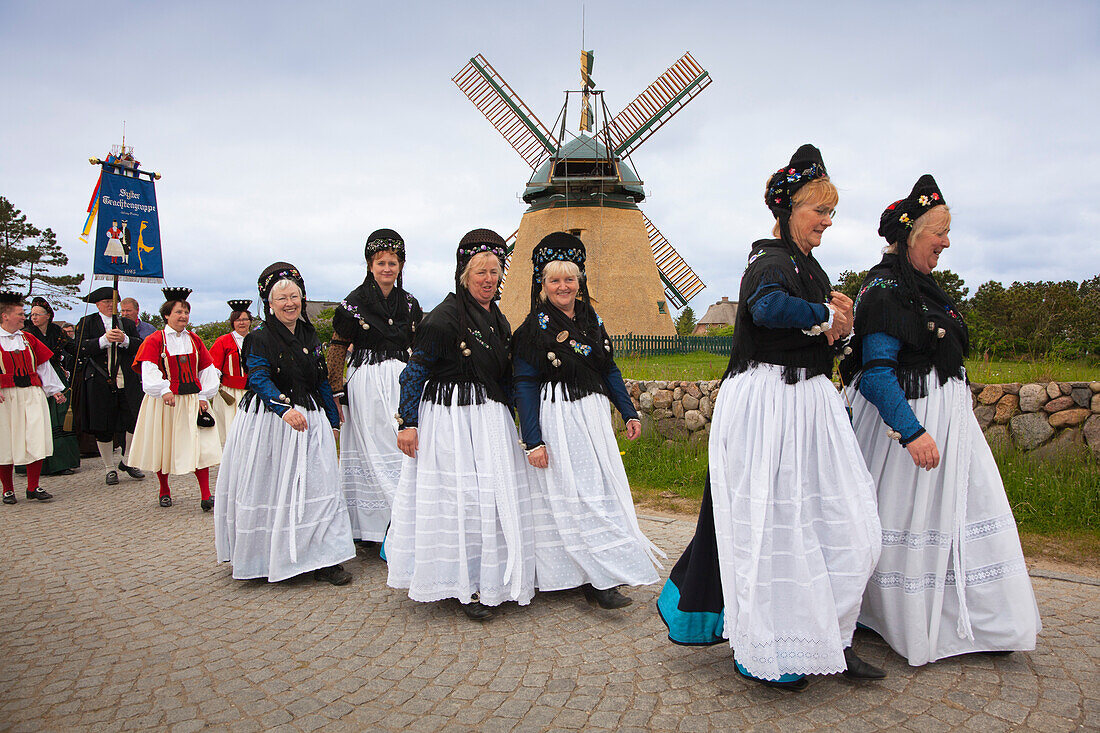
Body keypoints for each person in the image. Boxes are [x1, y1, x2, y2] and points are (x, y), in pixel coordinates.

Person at [657, 145, 884, 691]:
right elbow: (767, 309)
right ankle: (763, 645)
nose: (827, 222)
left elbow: (812, 324)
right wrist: (826, 314)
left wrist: (840, 323)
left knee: (841, 524)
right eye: (818, 211)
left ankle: (829, 637)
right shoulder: (768, 262)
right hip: (768, 406)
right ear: (787, 210)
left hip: (808, 405)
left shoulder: (807, 266)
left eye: (831, 213)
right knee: (772, 527)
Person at [840, 175, 1041, 665]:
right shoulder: (886, 291)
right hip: (909, 431)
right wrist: (912, 432)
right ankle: (890, 615)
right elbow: (876, 373)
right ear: (912, 235)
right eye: (940, 232)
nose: (947, 242)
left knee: (963, 514)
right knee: (907, 520)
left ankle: (987, 620)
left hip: (952, 429)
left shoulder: (923, 288)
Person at [387, 229, 535, 621]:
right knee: (462, 500)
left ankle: (493, 578)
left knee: (488, 497)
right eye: (480, 271)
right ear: (464, 274)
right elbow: (414, 371)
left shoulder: (497, 319)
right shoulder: (443, 318)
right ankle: (462, 585)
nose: (489, 278)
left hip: (489, 419)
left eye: (495, 270)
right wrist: (408, 423)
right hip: (451, 421)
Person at [512, 232, 663, 608]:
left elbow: (608, 367)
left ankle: (601, 573)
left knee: (598, 491)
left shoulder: (592, 319)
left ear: (580, 281)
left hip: (592, 416)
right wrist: (533, 440)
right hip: (558, 415)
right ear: (542, 284)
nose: (563, 286)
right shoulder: (531, 331)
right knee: (570, 494)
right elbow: (525, 387)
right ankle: (579, 575)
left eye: (570, 278)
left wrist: (627, 410)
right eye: (555, 280)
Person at [215, 263, 355, 585]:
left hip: (311, 418)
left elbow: (320, 379)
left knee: (319, 488)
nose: (290, 303)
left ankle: (325, 559)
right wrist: (282, 407)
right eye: (282, 299)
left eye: (295, 296)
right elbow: (258, 378)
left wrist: (333, 421)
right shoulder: (259, 339)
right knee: (275, 488)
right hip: (273, 423)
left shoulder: (309, 333)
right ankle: (268, 556)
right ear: (269, 303)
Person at [327, 229, 423, 544]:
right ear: (370, 265)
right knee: (373, 449)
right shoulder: (352, 304)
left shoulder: (410, 304)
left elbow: (418, 347)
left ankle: (405, 520)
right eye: (381, 262)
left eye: (392, 263)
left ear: (400, 266)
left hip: (401, 380)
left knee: (401, 449)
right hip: (366, 382)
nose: (387, 269)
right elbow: (338, 347)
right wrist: (335, 392)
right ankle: (372, 528)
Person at [128, 287, 222, 510]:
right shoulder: (154, 340)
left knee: (199, 446)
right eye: (179, 312)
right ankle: (164, 490)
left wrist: (203, 395)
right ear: (167, 315)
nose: (183, 316)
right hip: (166, 401)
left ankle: (206, 495)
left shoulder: (194, 340)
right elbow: (149, 369)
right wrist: (163, 390)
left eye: (186, 312)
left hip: (191, 400)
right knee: (164, 444)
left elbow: (207, 369)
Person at [75, 286, 145, 485]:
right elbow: (80, 348)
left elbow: (139, 346)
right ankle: (109, 468)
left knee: (133, 419)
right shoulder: (87, 323)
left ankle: (128, 460)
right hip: (99, 380)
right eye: (106, 303)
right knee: (103, 425)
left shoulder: (126, 323)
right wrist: (102, 341)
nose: (110, 306)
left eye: (113, 303)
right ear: (98, 304)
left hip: (125, 380)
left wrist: (125, 340)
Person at [1, 292, 66, 504]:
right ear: (5, 316)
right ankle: (8, 489)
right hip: (6, 397)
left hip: (31, 393)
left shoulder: (28, 339)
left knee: (35, 436)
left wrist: (55, 390)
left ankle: (32, 486)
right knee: (5, 441)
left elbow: (43, 367)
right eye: (20, 314)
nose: (24, 318)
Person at [23, 298, 79, 475]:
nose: (34, 317)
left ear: (48, 316)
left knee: (61, 415)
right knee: (39, 418)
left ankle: (62, 461)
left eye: (37, 314)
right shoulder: (27, 332)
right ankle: (37, 464)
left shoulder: (57, 331)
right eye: (32, 314)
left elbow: (72, 347)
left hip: (56, 373)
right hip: (35, 374)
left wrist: (88, 349)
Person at [208, 300, 254, 445]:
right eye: (238, 320)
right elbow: (213, 368)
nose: (242, 323)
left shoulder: (257, 340)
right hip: (230, 393)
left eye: (245, 319)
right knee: (231, 431)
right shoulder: (224, 341)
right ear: (232, 322)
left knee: (251, 431)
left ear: (250, 321)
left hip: (253, 391)